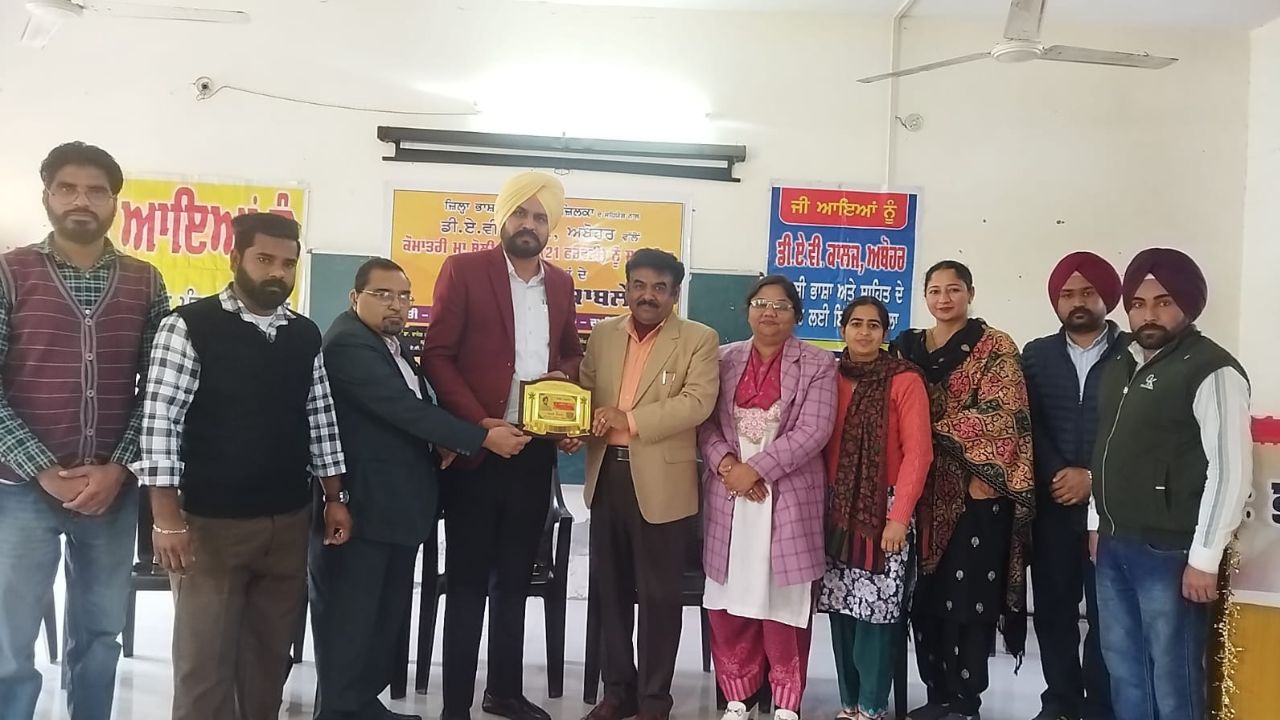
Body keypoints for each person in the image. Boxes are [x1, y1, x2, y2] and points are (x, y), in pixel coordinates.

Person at [133, 211, 352, 720]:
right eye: (264, 259)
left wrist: (335, 497)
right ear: (235, 259)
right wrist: (166, 517)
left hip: (287, 521)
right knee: (205, 664)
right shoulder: (188, 326)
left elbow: (320, 417)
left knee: (267, 660)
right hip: (210, 525)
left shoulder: (304, 334)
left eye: (288, 264)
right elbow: (160, 421)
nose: (277, 272)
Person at [311, 258, 530, 720]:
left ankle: (362, 705)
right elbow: (401, 409)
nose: (396, 304)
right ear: (354, 298)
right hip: (362, 506)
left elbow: (414, 406)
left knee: (381, 617)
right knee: (352, 617)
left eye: (404, 296)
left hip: (397, 507)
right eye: (383, 295)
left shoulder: (390, 344)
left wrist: (440, 443)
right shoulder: (348, 343)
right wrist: (478, 437)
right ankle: (340, 710)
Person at [0, 142, 169, 720]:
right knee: (10, 642)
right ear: (47, 195)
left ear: (115, 202)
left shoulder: (145, 281)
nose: (82, 200)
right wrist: (43, 470)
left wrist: (118, 467)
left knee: (100, 635)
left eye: (97, 190)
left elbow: (159, 389)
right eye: (68, 188)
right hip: (20, 491)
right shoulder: (10, 273)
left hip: (111, 494)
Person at [421, 171, 583, 720]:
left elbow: (571, 354)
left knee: (514, 579)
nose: (529, 224)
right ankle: (456, 705)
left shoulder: (560, 284)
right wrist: (479, 426)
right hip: (476, 453)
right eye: (520, 213)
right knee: (467, 582)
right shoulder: (464, 270)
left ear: (550, 227)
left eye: (540, 217)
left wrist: (564, 393)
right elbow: (437, 355)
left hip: (533, 454)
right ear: (503, 218)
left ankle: (505, 693)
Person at [1090, 248, 1251, 720]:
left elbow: (1230, 470)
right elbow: (1105, 447)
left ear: (1188, 304)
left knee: (1173, 676)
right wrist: (1096, 521)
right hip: (1115, 544)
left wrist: (1204, 558)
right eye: (1138, 304)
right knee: (1123, 667)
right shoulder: (1121, 362)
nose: (1149, 314)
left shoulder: (1211, 370)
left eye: (1163, 302)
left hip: (1171, 551)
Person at [579, 248, 720, 720]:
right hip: (607, 476)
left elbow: (697, 402)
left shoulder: (699, 339)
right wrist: (574, 427)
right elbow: (586, 392)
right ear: (626, 288)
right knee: (611, 591)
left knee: (660, 596)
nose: (648, 295)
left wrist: (631, 419)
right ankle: (618, 691)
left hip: (664, 483)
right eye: (639, 285)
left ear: (674, 294)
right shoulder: (603, 335)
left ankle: (655, 697)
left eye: (659, 288)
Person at [894, 260, 1035, 720]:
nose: (944, 299)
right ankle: (937, 694)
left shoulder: (996, 346)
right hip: (919, 494)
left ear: (970, 293)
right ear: (924, 296)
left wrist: (925, 431)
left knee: (968, 601)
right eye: (934, 290)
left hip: (977, 491)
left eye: (953, 289)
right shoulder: (906, 347)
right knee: (926, 599)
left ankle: (965, 700)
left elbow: (1005, 415)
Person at [697, 275, 838, 720]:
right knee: (730, 601)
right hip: (730, 498)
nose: (769, 312)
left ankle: (785, 702)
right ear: (747, 311)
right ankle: (737, 697)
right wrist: (727, 467)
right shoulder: (723, 359)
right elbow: (704, 422)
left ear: (797, 315)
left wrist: (753, 470)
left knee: (783, 605)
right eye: (760, 303)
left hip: (788, 497)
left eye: (780, 305)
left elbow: (814, 431)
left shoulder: (818, 363)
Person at [817, 296, 932, 720]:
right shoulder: (827, 375)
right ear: (842, 329)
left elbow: (918, 453)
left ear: (885, 333)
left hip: (886, 509)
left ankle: (871, 705)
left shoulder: (904, 379)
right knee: (842, 606)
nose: (864, 332)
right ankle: (848, 703)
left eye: (873, 325)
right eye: (856, 324)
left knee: (878, 612)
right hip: (835, 506)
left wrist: (899, 518)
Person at [1021, 253, 1122, 720]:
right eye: (1067, 294)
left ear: (1107, 297)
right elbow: (1028, 422)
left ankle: (1098, 706)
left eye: (1087, 292)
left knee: (1108, 614)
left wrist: (1093, 478)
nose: (1077, 302)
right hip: (1053, 503)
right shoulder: (1036, 355)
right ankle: (1060, 700)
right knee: (1054, 610)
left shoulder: (1134, 353)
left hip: (1115, 508)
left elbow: (1133, 429)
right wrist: (1058, 472)